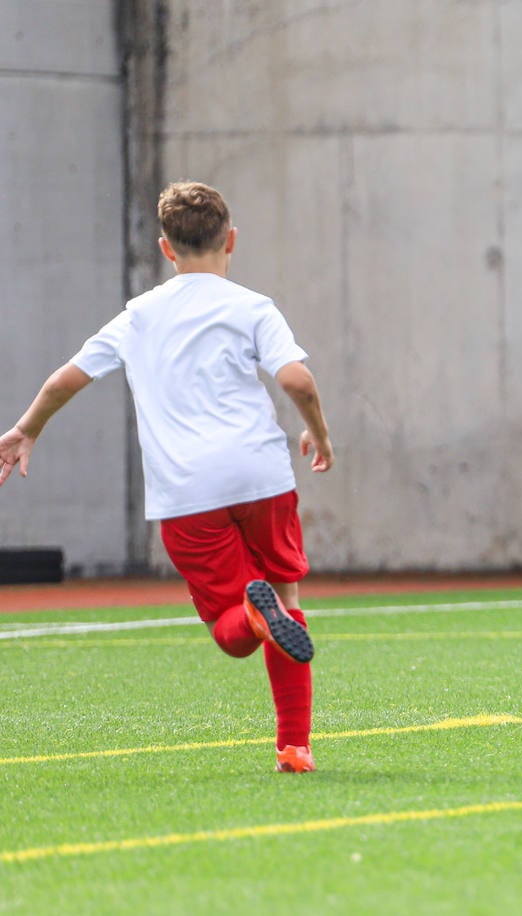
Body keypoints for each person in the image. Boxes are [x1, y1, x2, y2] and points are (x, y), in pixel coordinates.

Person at [0, 181, 333, 769]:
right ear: (230, 240)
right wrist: (319, 433)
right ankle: (294, 745)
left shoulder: (139, 316)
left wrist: (27, 429)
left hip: (186, 494)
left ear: (165, 248)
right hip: (263, 479)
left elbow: (63, 381)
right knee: (287, 597)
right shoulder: (253, 307)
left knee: (234, 628)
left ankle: (256, 618)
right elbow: (298, 381)